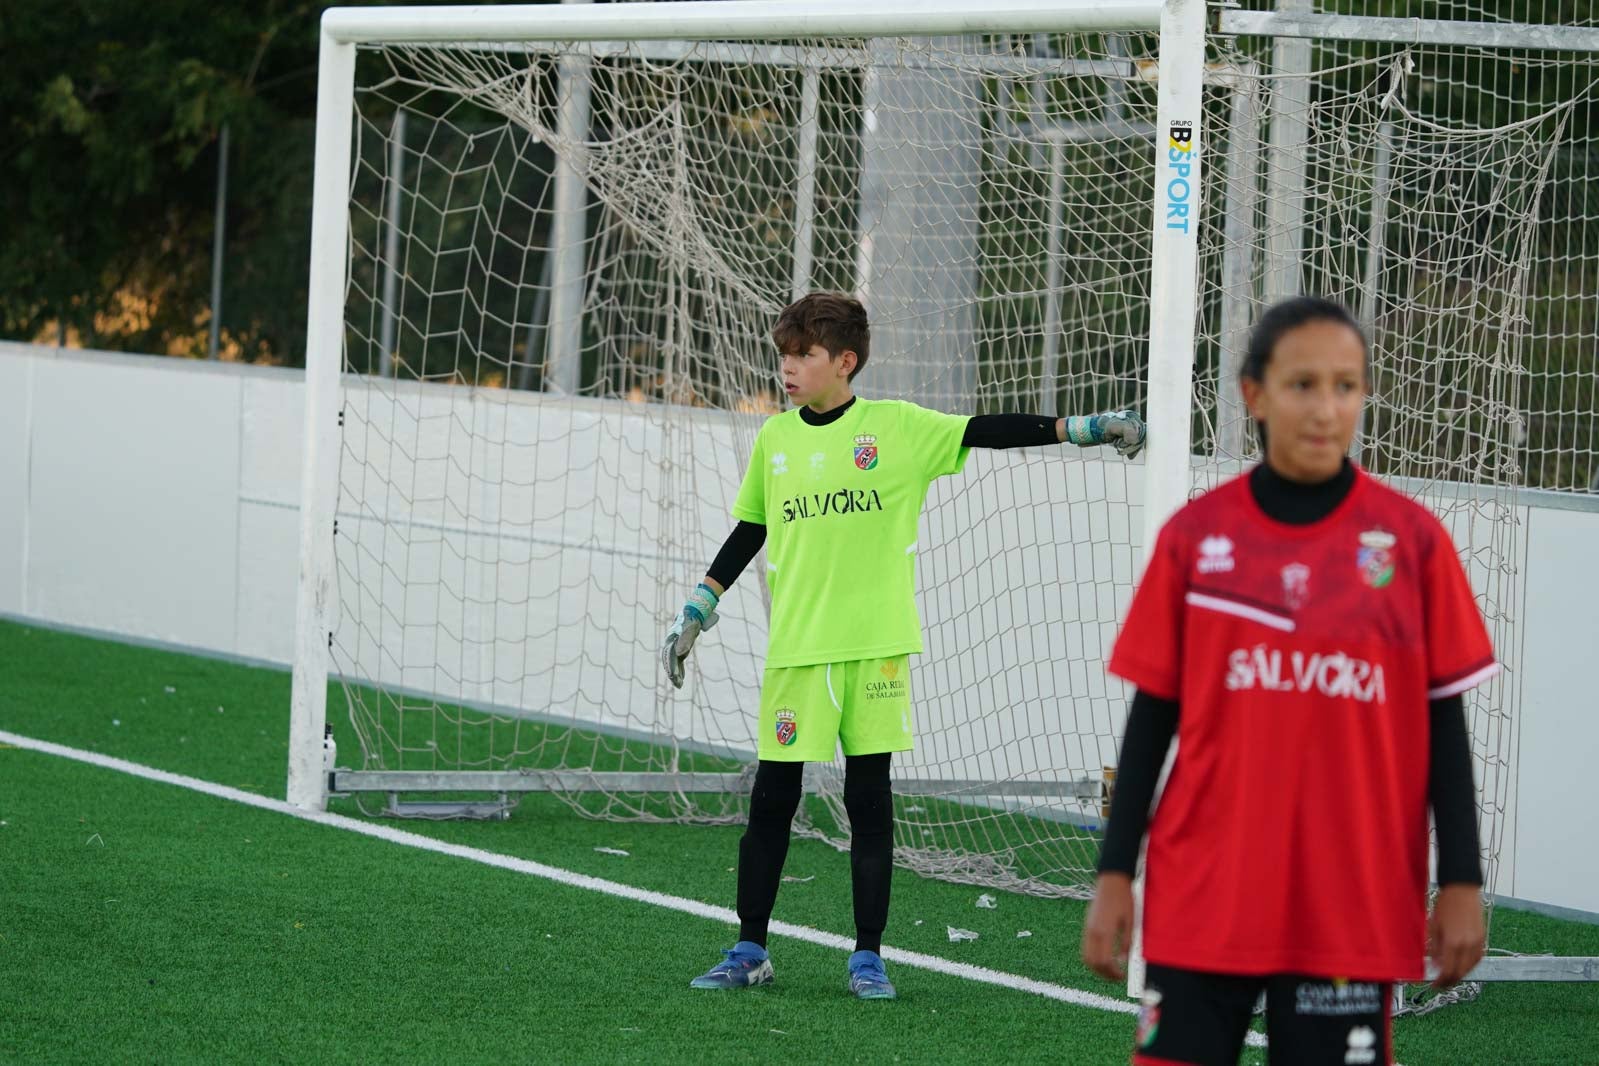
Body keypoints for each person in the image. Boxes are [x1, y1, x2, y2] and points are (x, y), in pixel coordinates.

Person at [662, 291, 1147, 999]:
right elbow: (751, 530)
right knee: (771, 802)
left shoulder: (896, 428)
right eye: (784, 356)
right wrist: (698, 607)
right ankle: (749, 949)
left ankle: (867, 958)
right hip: (797, 650)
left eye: (804, 355)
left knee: (869, 802)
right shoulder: (775, 439)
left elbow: (986, 430)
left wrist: (1084, 429)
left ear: (844, 362)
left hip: (876, 649)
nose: (788, 368)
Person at [1081, 296, 1495, 1065]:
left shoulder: (1411, 543)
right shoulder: (1196, 539)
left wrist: (1462, 880)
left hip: (1350, 902)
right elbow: (1151, 717)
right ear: (1254, 394)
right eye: (1302, 384)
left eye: (1345, 386)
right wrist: (1114, 872)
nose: (1324, 408)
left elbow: (1443, 724)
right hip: (1206, 891)